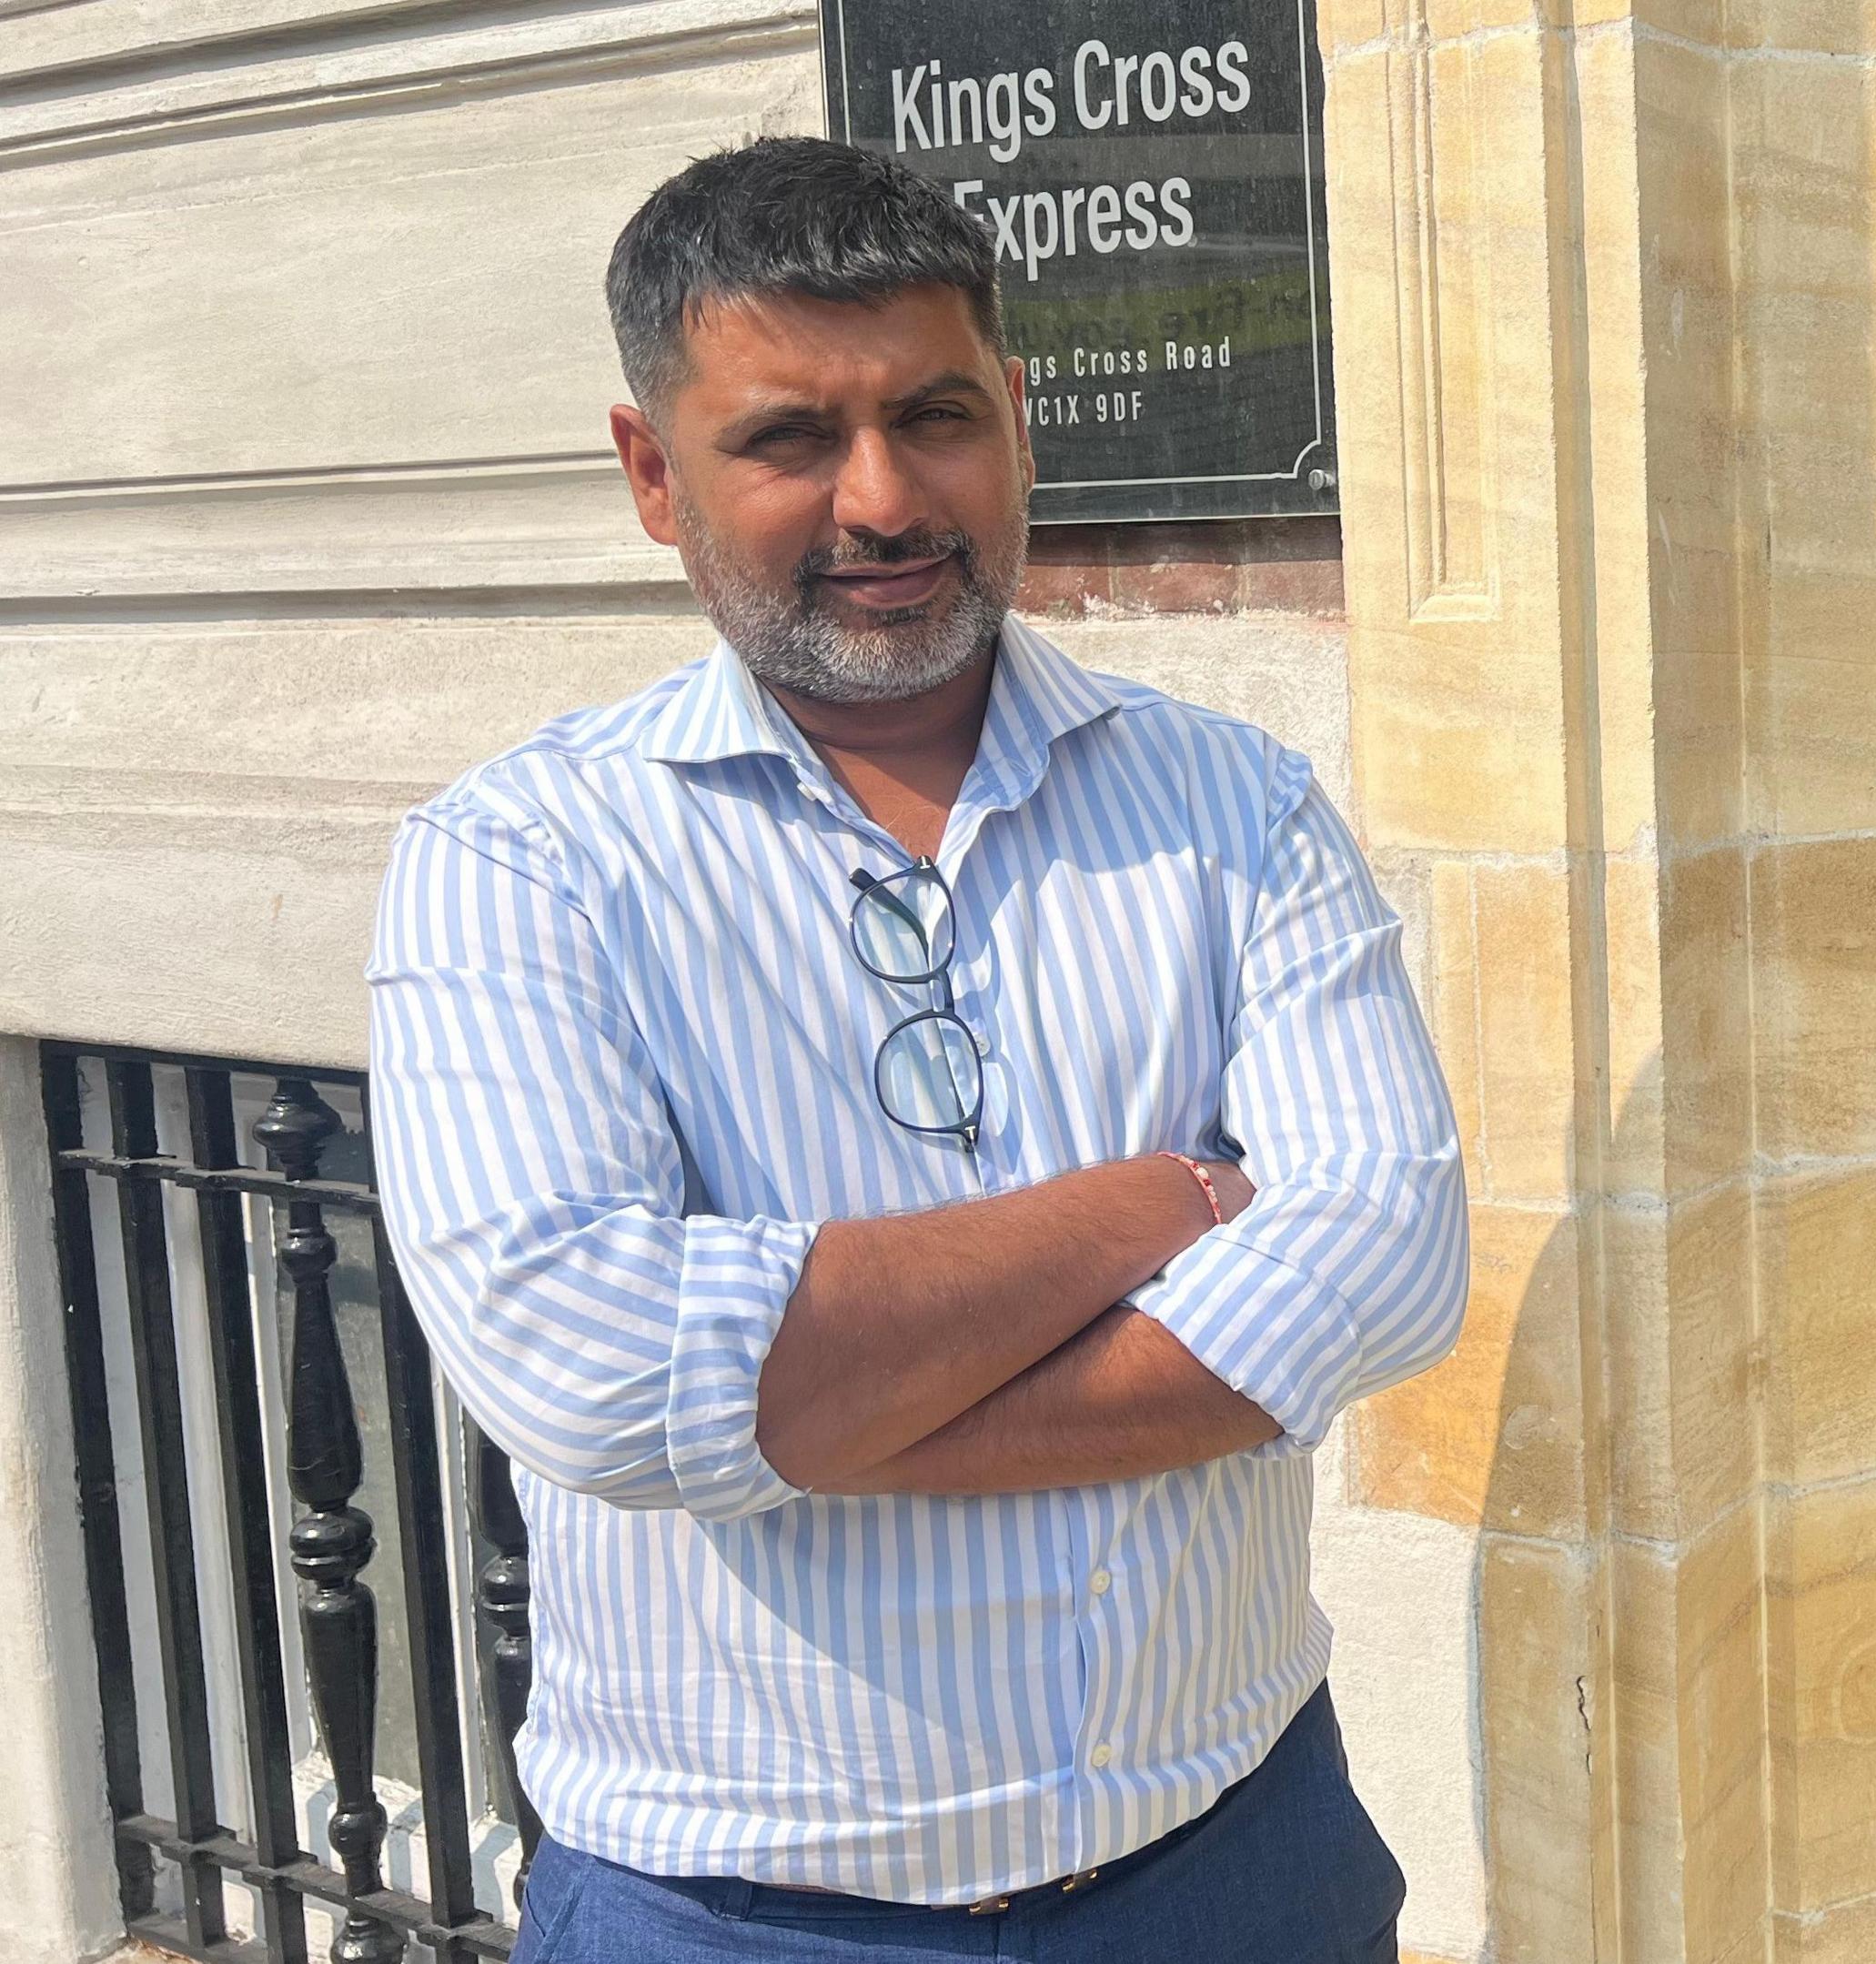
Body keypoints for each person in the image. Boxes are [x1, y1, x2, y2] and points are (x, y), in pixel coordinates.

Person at [367, 136, 1465, 1961]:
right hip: (736, 1923)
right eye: (791, 437)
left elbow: (1387, 1254)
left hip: (1232, 1868)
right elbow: (586, 1362)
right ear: (656, 472)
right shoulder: (524, 858)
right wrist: (1150, 1205)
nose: (883, 497)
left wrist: (815, 1417)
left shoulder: (1239, 807)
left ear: (1017, 420)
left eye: (935, 414)